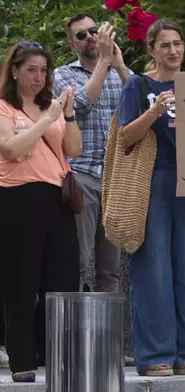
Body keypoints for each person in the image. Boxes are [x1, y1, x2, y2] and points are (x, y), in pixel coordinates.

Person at [117, 19, 185, 377]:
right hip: (152, 181)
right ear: (151, 49)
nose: (173, 50)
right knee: (152, 269)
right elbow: (125, 137)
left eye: (178, 43)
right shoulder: (139, 85)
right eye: (165, 44)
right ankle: (155, 354)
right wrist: (153, 111)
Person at [0, 41, 82, 382]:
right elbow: (13, 149)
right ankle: (21, 359)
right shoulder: (5, 107)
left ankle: (58, 354)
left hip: (56, 196)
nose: (38, 77)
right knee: (21, 280)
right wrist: (43, 120)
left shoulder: (52, 106)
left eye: (43, 70)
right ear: (15, 71)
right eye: (31, 70)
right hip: (18, 196)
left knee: (63, 279)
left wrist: (67, 114)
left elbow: (73, 148)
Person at [54, 14, 130, 296]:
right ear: (72, 44)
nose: (90, 37)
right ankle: (72, 332)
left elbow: (144, 101)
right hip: (82, 176)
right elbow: (81, 104)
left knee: (110, 267)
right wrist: (104, 63)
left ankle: (104, 338)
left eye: (93, 31)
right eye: (81, 35)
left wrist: (119, 64)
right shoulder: (63, 74)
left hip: (116, 178)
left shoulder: (117, 72)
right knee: (78, 260)